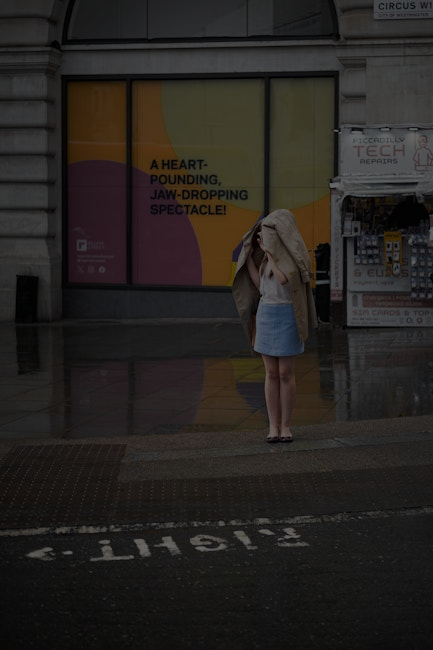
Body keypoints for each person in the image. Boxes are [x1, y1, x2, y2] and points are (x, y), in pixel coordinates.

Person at [232, 209, 317, 444]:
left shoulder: (293, 256)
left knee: (285, 373)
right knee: (270, 373)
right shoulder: (264, 261)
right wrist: (249, 258)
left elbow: (283, 278)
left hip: (288, 315)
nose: (264, 239)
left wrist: (270, 252)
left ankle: (286, 426)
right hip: (266, 315)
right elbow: (261, 286)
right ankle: (273, 426)